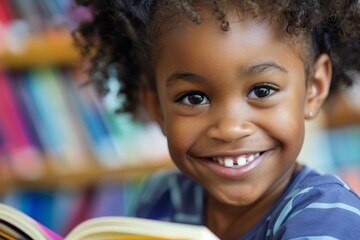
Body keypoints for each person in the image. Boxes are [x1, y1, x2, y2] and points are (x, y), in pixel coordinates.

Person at [74, 0, 360, 239]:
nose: (229, 129)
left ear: (314, 88)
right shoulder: (161, 199)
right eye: (194, 98)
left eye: (262, 91)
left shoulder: (328, 216)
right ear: (157, 107)